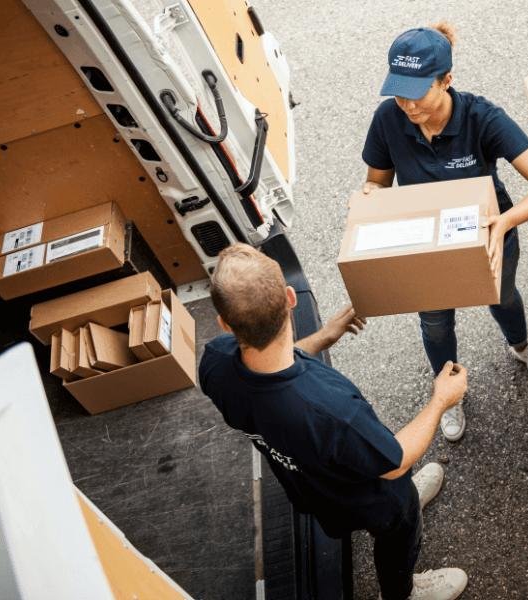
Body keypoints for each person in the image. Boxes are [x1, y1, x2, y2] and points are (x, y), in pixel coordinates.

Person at [199, 243, 469, 600]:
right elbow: (394, 462)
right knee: (400, 526)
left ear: (224, 322)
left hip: (312, 488)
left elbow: (270, 364)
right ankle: (403, 591)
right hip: (375, 495)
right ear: (291, 298)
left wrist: (325, 336)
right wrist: (440, 400)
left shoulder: (214, 362)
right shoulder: (331, 409)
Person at [362, 23, 528, 443]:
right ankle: (449, 395)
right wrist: (369, 198)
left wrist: (504, 223)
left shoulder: (481, 117)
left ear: (447, 80)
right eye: (398, 92)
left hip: (490, 235)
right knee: (436, 324)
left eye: (417, 92)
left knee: (504, 296)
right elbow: (378, 182)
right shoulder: (388, 119)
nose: (406, 104)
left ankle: (522, 348)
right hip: (427, 247)